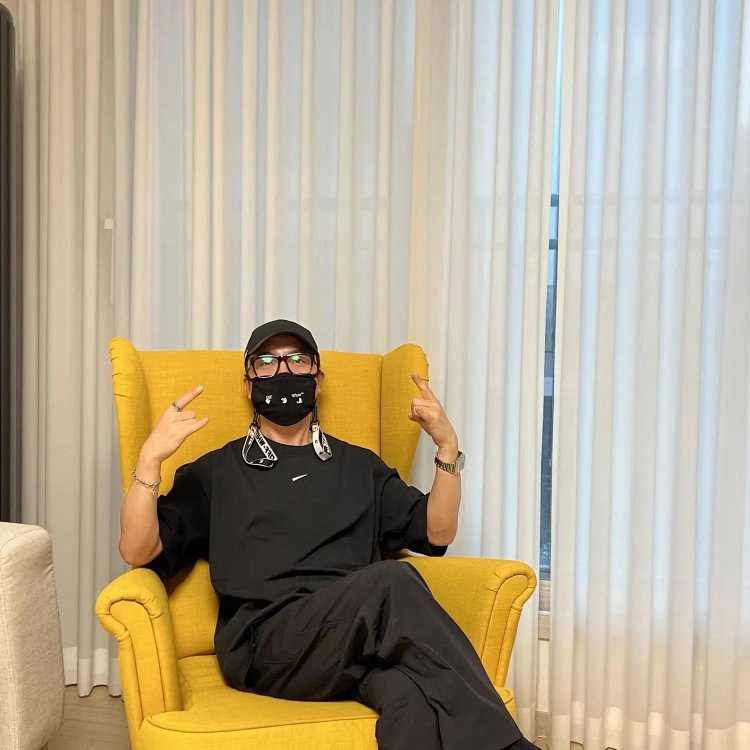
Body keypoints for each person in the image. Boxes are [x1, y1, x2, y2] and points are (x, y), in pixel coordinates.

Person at [119, 319, 539, 750]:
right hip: (268, 647)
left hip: (355, 643)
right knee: (393, 581)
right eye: (267, 363)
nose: (284, 371)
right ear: (248, 384)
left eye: (298, 360)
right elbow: (137, 550)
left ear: (317, 380)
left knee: (413, 696)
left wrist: (447, 447)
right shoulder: (217, 471)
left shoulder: (360, 466)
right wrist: (149, 460)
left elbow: (438, 531)